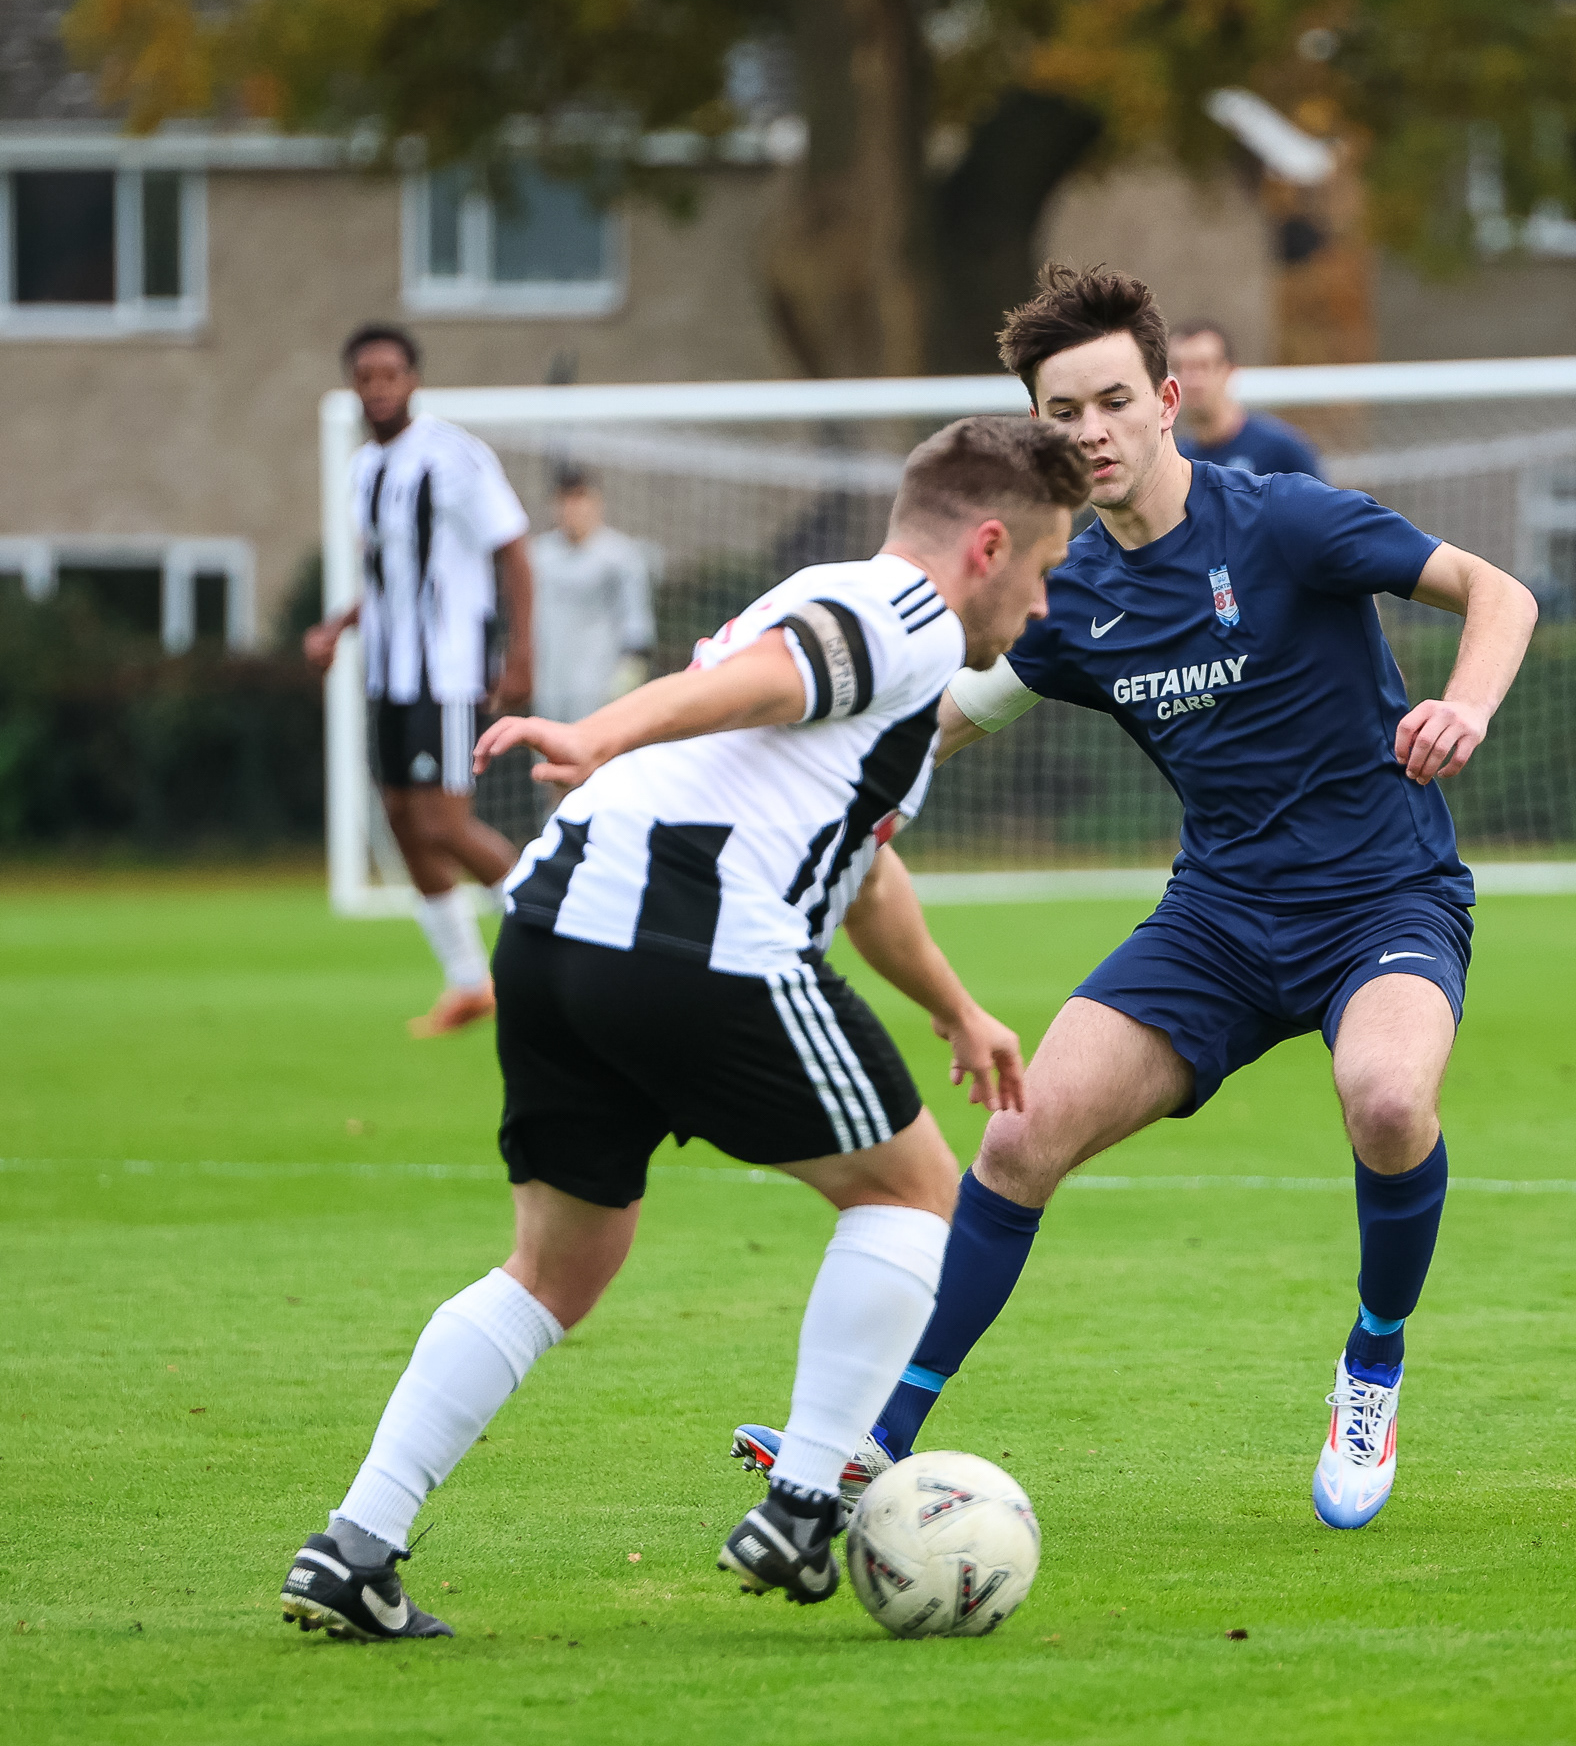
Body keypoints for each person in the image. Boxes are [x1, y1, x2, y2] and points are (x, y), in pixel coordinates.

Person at [737, 265, 1537, 1532]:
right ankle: (875, 1438)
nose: (1093, 432)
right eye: (1064, 413)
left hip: (1383, 899)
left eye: (1115, 401)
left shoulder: (1285, 520)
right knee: (1017, 1139)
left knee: (1388, 1102)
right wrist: (785, 766)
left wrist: (1466, 705)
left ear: (1168, 402)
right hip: (1216, 923)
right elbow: (945, 716)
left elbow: (1501, 591)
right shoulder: (1068, 597)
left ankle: (1372, 1365)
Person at [276, 415, 1090, 1639]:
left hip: (551, 931)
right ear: (986, 547)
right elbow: (763, 677)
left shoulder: (858, 629)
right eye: (1042, 569)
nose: (1039, 605)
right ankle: (801, 1511)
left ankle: (354, 1547)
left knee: (559, 1267)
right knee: (915, 1191)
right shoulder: (907, 614)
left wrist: (956, 1009)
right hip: (692, 936)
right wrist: (600, 731)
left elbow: (865, 875)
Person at [304, 323, 535, 1038]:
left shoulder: (454, 457)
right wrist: (339, 626)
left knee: (444, 822)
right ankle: (469, 982)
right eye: (365, 376)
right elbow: (392, 578)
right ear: (353, 385)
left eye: (390, 374)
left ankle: (563, 927)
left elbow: (513, 550)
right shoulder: (364, 469)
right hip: (389, 675)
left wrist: (521, 652)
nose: (378, 387)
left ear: (413, 381)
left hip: (450, 672)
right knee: (404, 822)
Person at [530, 467, 665, 724]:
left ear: (596, 503)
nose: (572, 509)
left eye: (580, 499)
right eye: (565, 500)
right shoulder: (538, 555)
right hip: (548, 684)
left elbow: (637, 626)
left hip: (597, 687)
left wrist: (628, 674)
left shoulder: (620, 557)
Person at [1169, 318, 1322, 479]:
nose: (1189, 380)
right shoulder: (1178, 459)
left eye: (1202, 366)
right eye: (1179, 367)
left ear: (1229, 372)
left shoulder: (1282, 451)